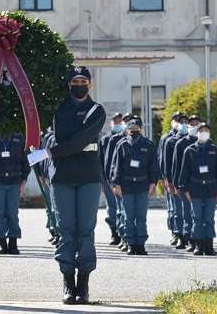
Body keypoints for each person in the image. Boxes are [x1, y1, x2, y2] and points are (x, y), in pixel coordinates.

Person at [27, 65, 106, 305]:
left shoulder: (96, 110)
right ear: (68, 84)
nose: (78, 85)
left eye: (83, 81)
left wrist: (48, 152)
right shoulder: (58, 108)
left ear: (90, 84)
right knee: (65, 229)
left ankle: (83, 282)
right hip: (62, 175)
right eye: (74, 81)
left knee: (85, 230)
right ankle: (68, 282)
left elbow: (78, 142)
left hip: (88, 175)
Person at [110, 117, 158, 255]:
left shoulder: (148, 145)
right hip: (127, 185)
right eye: (132, 129)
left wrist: (152, 183)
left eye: (137, 129)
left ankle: (141, 244)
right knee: (128, 216)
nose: (134, 131)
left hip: (143, 185)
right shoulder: (121, 145)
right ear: (128, 130)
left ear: (141, 129)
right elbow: (116, 166)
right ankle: (131, 243)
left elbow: (153, 166)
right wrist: (116, 183)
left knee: (141, 216)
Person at [177, 123, 217, 256]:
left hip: (211, 188)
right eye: (201, 130)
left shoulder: (215, 150)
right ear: (196, 133)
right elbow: (184, 171)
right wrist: (184, 189)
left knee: (209, 217)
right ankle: (198, 245)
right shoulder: (190, 150)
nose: (204, 132)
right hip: (195, 188)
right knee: (197, 217)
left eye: (206, 130)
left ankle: (209, 246)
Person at [0, 133, 30, 254]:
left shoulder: (20, 138)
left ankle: (13, 243)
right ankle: (2, 243)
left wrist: (24, 180)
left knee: (12, 212)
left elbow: (26, 161)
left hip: (15, 181)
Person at [170, 114, 201, 251]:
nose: (194, 127)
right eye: (191, 124)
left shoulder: (207, 142)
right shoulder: (180, 143)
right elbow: (176, 166)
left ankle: (199, 239)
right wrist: (176, 185)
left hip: (201, 184)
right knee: (186, 213)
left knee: (199, 214)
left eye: (197, 124)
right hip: (186, 184)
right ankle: (187, 239)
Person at [158, 111, 184, 244]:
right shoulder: (166, 138)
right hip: (170, 179)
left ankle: (184, 233)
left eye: (181, 120)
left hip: (183, 180)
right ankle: (174, 231)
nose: (179, 122)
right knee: (173, 208)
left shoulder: (188, 137)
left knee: (182, 208)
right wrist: (162, 178)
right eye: (176, 120)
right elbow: (162, 159)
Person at [164, 113, 189, 246]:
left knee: (190, 211)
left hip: (191, 182)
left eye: (186, 121)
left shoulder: (193, 140)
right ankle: (179, 234)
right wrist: (168, 181)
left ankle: (189, 235)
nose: (184, 124)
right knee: (177, 210)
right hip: (176, 180)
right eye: (181, 122)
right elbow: (168, 163)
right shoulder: (170, 141)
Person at [98, 112, 123, 245]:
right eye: (115, 121)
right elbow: (100, 162)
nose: (118, 123)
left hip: (123, 179)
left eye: (120, 121)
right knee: (112, 206)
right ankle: (114, 232)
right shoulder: (105, 140)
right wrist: (102, 181)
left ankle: (124, 232)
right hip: (108, 179)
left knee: (123, 206)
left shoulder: (125, 138)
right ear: (111, 123)